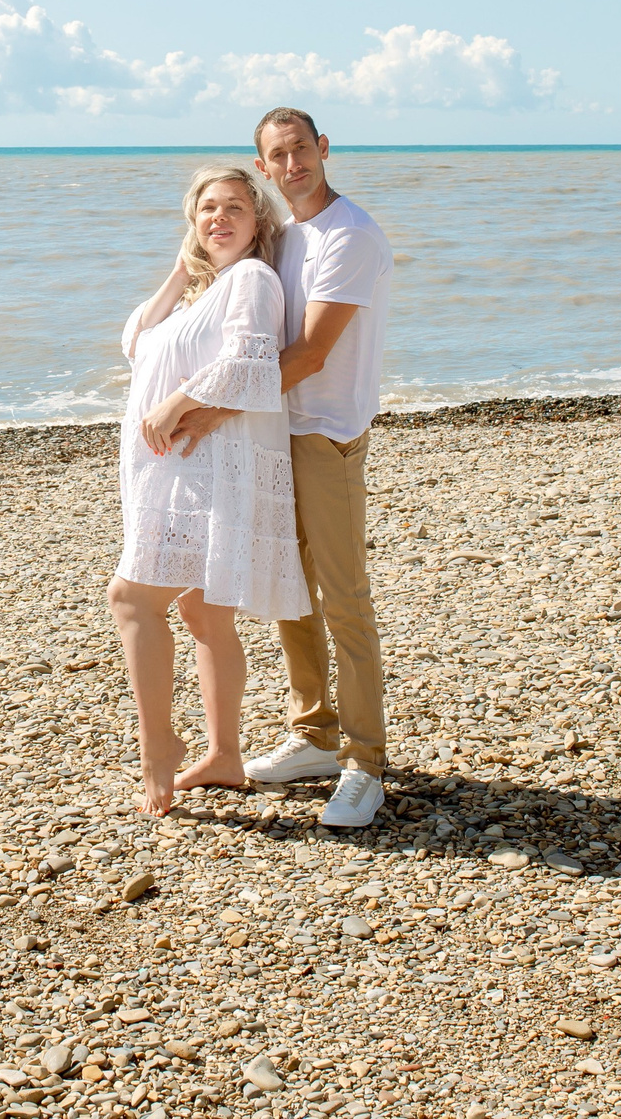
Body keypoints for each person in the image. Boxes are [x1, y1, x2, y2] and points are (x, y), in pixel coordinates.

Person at [108, 165, 310, 818]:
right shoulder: (203, 287)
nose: (218, 218)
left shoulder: (251, 278)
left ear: (259, 224)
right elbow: (135, 340)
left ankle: (156, 743)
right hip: (171, 470)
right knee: (202, 611)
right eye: (206, 210)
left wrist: (175, 403)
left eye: (233, 209)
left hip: (204, 468)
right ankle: (225, 754)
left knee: (132, 596)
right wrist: (180, 265)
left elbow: (252, 359)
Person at [236, 106, 396, 829]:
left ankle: (365, 761)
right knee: (287, 588)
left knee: (343, 597)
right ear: (263, 166)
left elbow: (309, 353)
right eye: (278, 155)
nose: (293, 163)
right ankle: (314, 733)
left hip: (326, 433)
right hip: (275, 427)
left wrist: (205, 406)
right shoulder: (280, 238)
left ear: (323, 148)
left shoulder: (350, 233)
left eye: (301, 148)